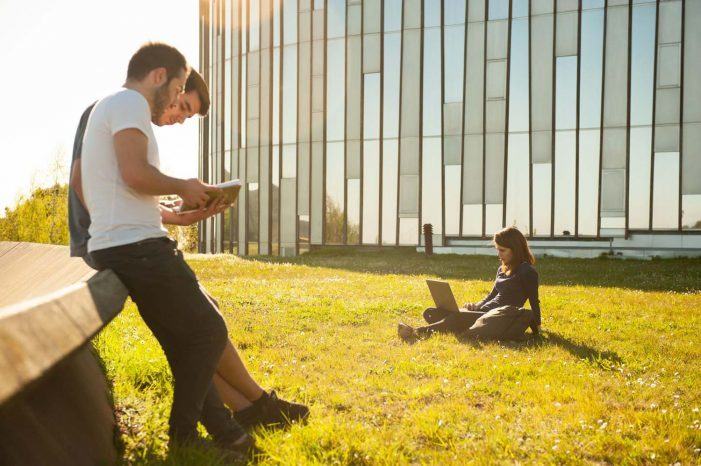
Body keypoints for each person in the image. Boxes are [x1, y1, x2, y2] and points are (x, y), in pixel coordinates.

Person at [70, 51, 309, 438]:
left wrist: (171, 212)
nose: (175, 107)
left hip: (128, 239)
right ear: (159, 76)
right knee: (207, 331)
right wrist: (183, 186)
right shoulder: (129, 102)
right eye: (179, 92)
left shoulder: (121, 106)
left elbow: (122, 183)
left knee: (192, 333)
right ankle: (189, 432)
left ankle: (231, 424)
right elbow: (129, 175)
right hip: (132, 244)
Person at [398, 226, 541, 341]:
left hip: (498, 318)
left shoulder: (527, 271)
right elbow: (492, 295)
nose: (499, 255)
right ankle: (453, 325)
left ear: (515, 250)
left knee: (456, 318)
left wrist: (537, 329)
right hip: (484, 311)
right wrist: (475, 306)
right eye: (497, 250)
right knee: (431, 312)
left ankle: (416, 331)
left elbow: (534, 301)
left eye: (502, 250)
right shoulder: (502, 269)